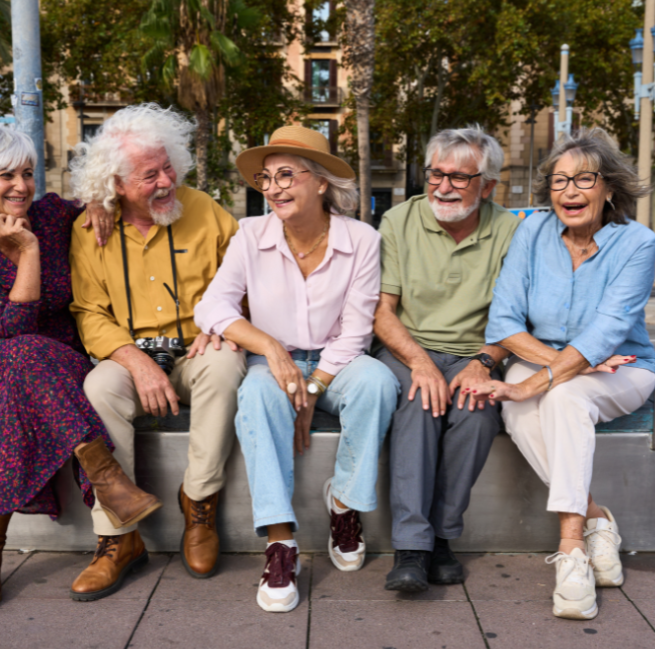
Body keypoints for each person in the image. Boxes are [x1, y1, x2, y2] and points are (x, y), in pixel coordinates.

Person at [0, 124, 160, 613]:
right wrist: (30, 253)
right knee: (24, 357)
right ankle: (105, 476)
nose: (21, 185)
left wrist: (98, 202)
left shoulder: (54, 214)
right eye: (6, 176)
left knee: (31, 365)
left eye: (28, 173)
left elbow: (107, 202)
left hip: (55, 364)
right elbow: (10, 325)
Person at [195, 126, 399, 613]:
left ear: (322, 182)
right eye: (267, 178)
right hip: (273, 361)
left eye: (287, 175)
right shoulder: (250, 235)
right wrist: (268, 346)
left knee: (378, 383)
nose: (274, 187)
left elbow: (356, 329)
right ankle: (281, 542)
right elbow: (212, 307)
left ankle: (345, 503)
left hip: (338, 361)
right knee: (259, 395)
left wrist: (311, 387)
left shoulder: (362, 239)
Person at [474, 127, 655, 621]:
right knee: (524, 415)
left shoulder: (638, 243)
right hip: (555, 360)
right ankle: (596, 519)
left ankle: (571, 549)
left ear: (608, 188)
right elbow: (504, 323)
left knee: (562, 399)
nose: (570, 192)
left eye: (583, 180)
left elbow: (609, 332)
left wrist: (532, 382)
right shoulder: (530, 231)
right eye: (559, 182)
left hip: (623, 370)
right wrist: (565, 362)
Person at [69, 103, 245, 597]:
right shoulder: (91, 229)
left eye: (169, 166)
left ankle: (199, 504)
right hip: (130, 357)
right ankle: (118, 539)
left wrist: (227, 323)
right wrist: (136, 361)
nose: (167, 180)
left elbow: (245, 282)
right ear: (117, 184)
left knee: (225, 365)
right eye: (150, 175)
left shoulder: (205, 210)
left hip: (196, 351)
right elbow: (88, 311)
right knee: (98, 387)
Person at [373, 126, 521, 593]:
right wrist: (419, 362)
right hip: (407, 348)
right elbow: (383, 312)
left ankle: (441, 535)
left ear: (489, 185)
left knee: (476, 411)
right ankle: (411, 547)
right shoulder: (399, 220)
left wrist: (485, 360)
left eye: (459, 178)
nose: (443, 186)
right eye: (436, 173)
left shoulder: (512, 230)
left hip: (474, 352)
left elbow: (517, 315)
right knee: (419, 404)